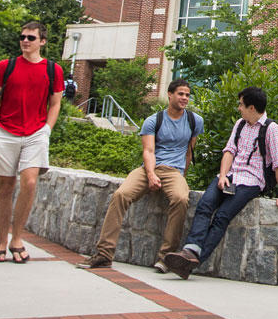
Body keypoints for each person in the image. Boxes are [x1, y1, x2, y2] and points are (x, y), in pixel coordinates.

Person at [161, 86, 278, 280]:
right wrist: (222, 176)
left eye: (241, 104)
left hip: (251, 182)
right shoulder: (240, 124)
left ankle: (193, 261)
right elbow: (229, 151)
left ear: (251, 107)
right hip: (230, 176)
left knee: (221, 216)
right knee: (204, 205)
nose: (239, 108)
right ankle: (190, 250)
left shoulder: (272, 129)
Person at [77, 78, 204, 271]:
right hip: (148, 168)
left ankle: (165, 258)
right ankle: (104, 254)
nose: (184, 98)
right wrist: (151, 175)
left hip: (174, 171)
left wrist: (181, 178)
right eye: (180, 94)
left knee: (180, 198)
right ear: (170, 94)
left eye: (187, 94)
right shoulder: (154, 120)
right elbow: (149, 151)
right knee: (121, 195)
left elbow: (188, 153)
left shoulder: (195, 121)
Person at [0, 21, 65, 264]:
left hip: (35, 134)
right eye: (22, 37)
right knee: (6, 186)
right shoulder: (5, 66)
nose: (25, 41)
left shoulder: (53, 70)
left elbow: (56, 103)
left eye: (31, 37)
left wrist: (46, 130)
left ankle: (16, 239)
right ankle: (1, 242)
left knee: (29, 182)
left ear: (42, 41)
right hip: (6, 132)